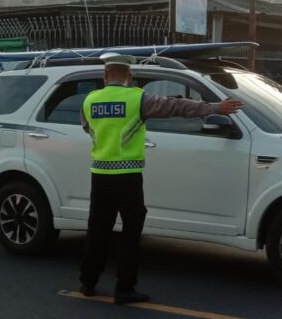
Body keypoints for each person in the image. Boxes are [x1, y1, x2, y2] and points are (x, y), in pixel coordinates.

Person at [79, 53, 243, 304]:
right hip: (127, 176)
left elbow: (86, 127)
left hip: (99, 176)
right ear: (129, 76)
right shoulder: (137, 99)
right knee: (130, 233)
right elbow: (176, 106)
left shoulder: (90, 101)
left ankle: (88, 283)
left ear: (105, 75)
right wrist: (214, 108)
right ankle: (124, 289)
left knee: (97, 230)